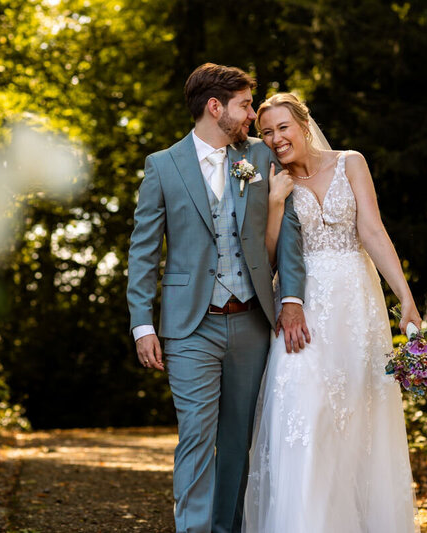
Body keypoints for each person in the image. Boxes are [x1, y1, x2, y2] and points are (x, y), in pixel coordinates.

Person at [126, 64, 309, 533]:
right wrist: (142, 323)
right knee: (195, 436)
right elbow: (143, 250)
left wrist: (292, 298)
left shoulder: (259, 158)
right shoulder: (162, 166)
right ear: (215, 107)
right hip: (190, 327)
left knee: (236, 442)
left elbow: (287, 232)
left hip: (251, 321)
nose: (252, 114)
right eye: (245, 104)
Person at [242, 92, 421, 532]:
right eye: (266, 132)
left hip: (357, 305)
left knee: (361, 417)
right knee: (303, 410)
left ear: (303, 123)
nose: (276, 138)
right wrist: (277, 202)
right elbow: (265, 259)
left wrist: (406, 297)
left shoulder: (350, 162)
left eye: (282, 127)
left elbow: (373, 231)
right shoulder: (271, 180)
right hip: (300, 309)